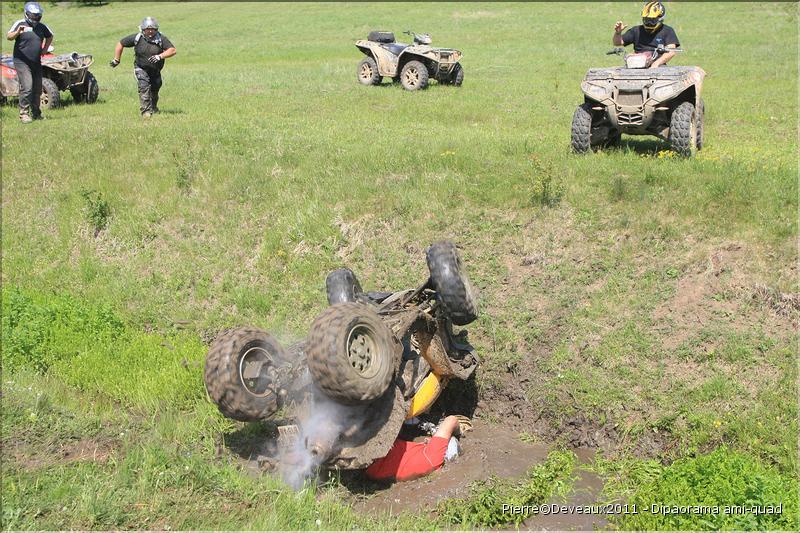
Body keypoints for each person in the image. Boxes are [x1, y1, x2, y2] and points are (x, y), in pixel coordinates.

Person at [366, 415, 472, 482]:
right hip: (372, 470)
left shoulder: (434, 457)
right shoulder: (429, 462)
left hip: (377, 445)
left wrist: (458, 431)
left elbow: (451, 420)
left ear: (445, 451)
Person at [110, 17, 176, 117]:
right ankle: (146, 112)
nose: (150, 31)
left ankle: (153, 107)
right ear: (142, 29)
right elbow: (120, 44)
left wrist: (160, 56)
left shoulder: (161, 38)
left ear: (156, 29)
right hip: (141, 68)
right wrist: (116, 59)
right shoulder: (137, 38)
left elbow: (172, 50)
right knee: (144, 87)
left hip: (156, 70)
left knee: (155, 89)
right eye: (147, 29)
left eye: (153, 29)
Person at [6, 2, 53, 124]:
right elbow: (8, 36)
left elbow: (50, 36)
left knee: (37, 88)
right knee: (27, 87)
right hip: (21, 61)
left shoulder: (42, 27)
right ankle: (24, 114)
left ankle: (36, 113)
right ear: (27, 14)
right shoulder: (20, 23)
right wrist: (18, 32)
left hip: (36, 61)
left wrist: (45, 49)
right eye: (33, 15)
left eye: (37, 15)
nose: (35, 18)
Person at [613, 1, 680, 68]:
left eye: (652, 21)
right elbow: (618, 42)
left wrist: (657, 63)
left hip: (658, 67)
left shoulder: (667, 31)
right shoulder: (636, 30)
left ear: (660, 19)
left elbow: (671, 52)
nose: (649, 23)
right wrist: (618, 33)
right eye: (646, 20)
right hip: (636, 65)